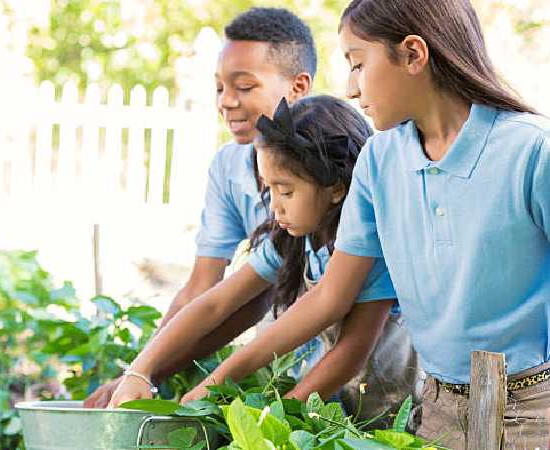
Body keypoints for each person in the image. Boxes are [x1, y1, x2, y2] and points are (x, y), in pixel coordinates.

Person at [179, 0, 550, 448]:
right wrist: (216, 386)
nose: (352, 89)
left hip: (533, 410)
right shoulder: (379, 159)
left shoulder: (531, 152)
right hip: (436, 410)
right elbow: (328, 301)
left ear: (413, 55)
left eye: (357, 64)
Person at [109, 96, 419, 428]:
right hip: (332, 411)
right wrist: (141, 369)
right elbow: (215, 304)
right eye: (268, 189)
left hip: (387, 419)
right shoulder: (293, 239)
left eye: (286, 192)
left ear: (336, 188)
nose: (274, 207)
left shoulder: (373, 247)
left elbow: (351, 352)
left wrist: (272, 419)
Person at [83, 7, 317, 408]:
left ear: (297, 87)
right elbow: (203, 290)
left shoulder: (334, 164)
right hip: (287, 363)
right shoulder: (229, 167)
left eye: (244, 86)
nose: (226, 101)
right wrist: (140, 371)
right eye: (219, 87)